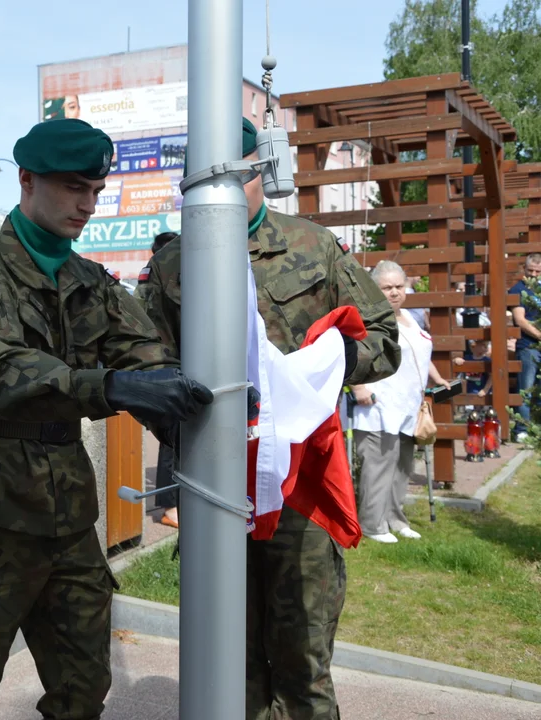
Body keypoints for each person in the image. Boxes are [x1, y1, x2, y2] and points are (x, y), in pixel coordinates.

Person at [0, 118, 212, 719]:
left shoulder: (90, 282)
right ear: (26, 180)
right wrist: (115, 386)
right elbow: (2, 375)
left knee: (83, 690)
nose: (88, 204)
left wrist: (195, 396)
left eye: (96, 191)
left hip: (68, 523)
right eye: (74, 187)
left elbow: (147, 357)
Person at [138, 118, 399, 720]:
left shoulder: (312, 246)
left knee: (302, 666)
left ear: (259, 172)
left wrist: (323, 366)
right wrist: (179, 424)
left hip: (298, 489)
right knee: (229, 667)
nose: (223, 194)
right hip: (214, 487)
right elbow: (143, 362)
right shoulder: (176, 264)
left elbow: (383, 336)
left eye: (237, 179)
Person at [351, 261, 449, 544]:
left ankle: (396, 518)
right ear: (375, 288)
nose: (394, 292)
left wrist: (439, 378)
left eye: (398, 286)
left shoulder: (409, 316)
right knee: (378, 465)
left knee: (403, 465)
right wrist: (358, 387)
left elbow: (419, 352)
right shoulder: (367, 317)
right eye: (387, 287)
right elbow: (351, 352)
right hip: (378, 404)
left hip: (408, 405)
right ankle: (372, 523)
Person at [144, 231, 181, 528]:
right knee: (170, 439)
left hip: (178, 368)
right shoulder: (152, 279)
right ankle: (169, 507)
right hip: (165, 368)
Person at [509, 253, 541, 441]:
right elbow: (520, 319)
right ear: (524, 270)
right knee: (525, 389)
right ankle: (522, 430)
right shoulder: (517, 290)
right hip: (528, 346)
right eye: (530, 270)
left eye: (538, 271)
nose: (534, 274)